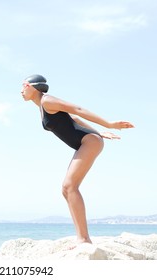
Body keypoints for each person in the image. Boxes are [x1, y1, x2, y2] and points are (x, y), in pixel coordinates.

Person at [21, 74, 134, 244]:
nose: (21, 91)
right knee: (66, 189)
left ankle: (84, 240)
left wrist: (109, 125)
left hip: (88, 142)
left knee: (70, 186)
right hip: (88, 139)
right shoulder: (42, 106)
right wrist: (98, 132)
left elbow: (78, 110)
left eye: (23, 86)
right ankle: (82, 237)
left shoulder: (47, 101)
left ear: (33, 87)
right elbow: (73, 118)